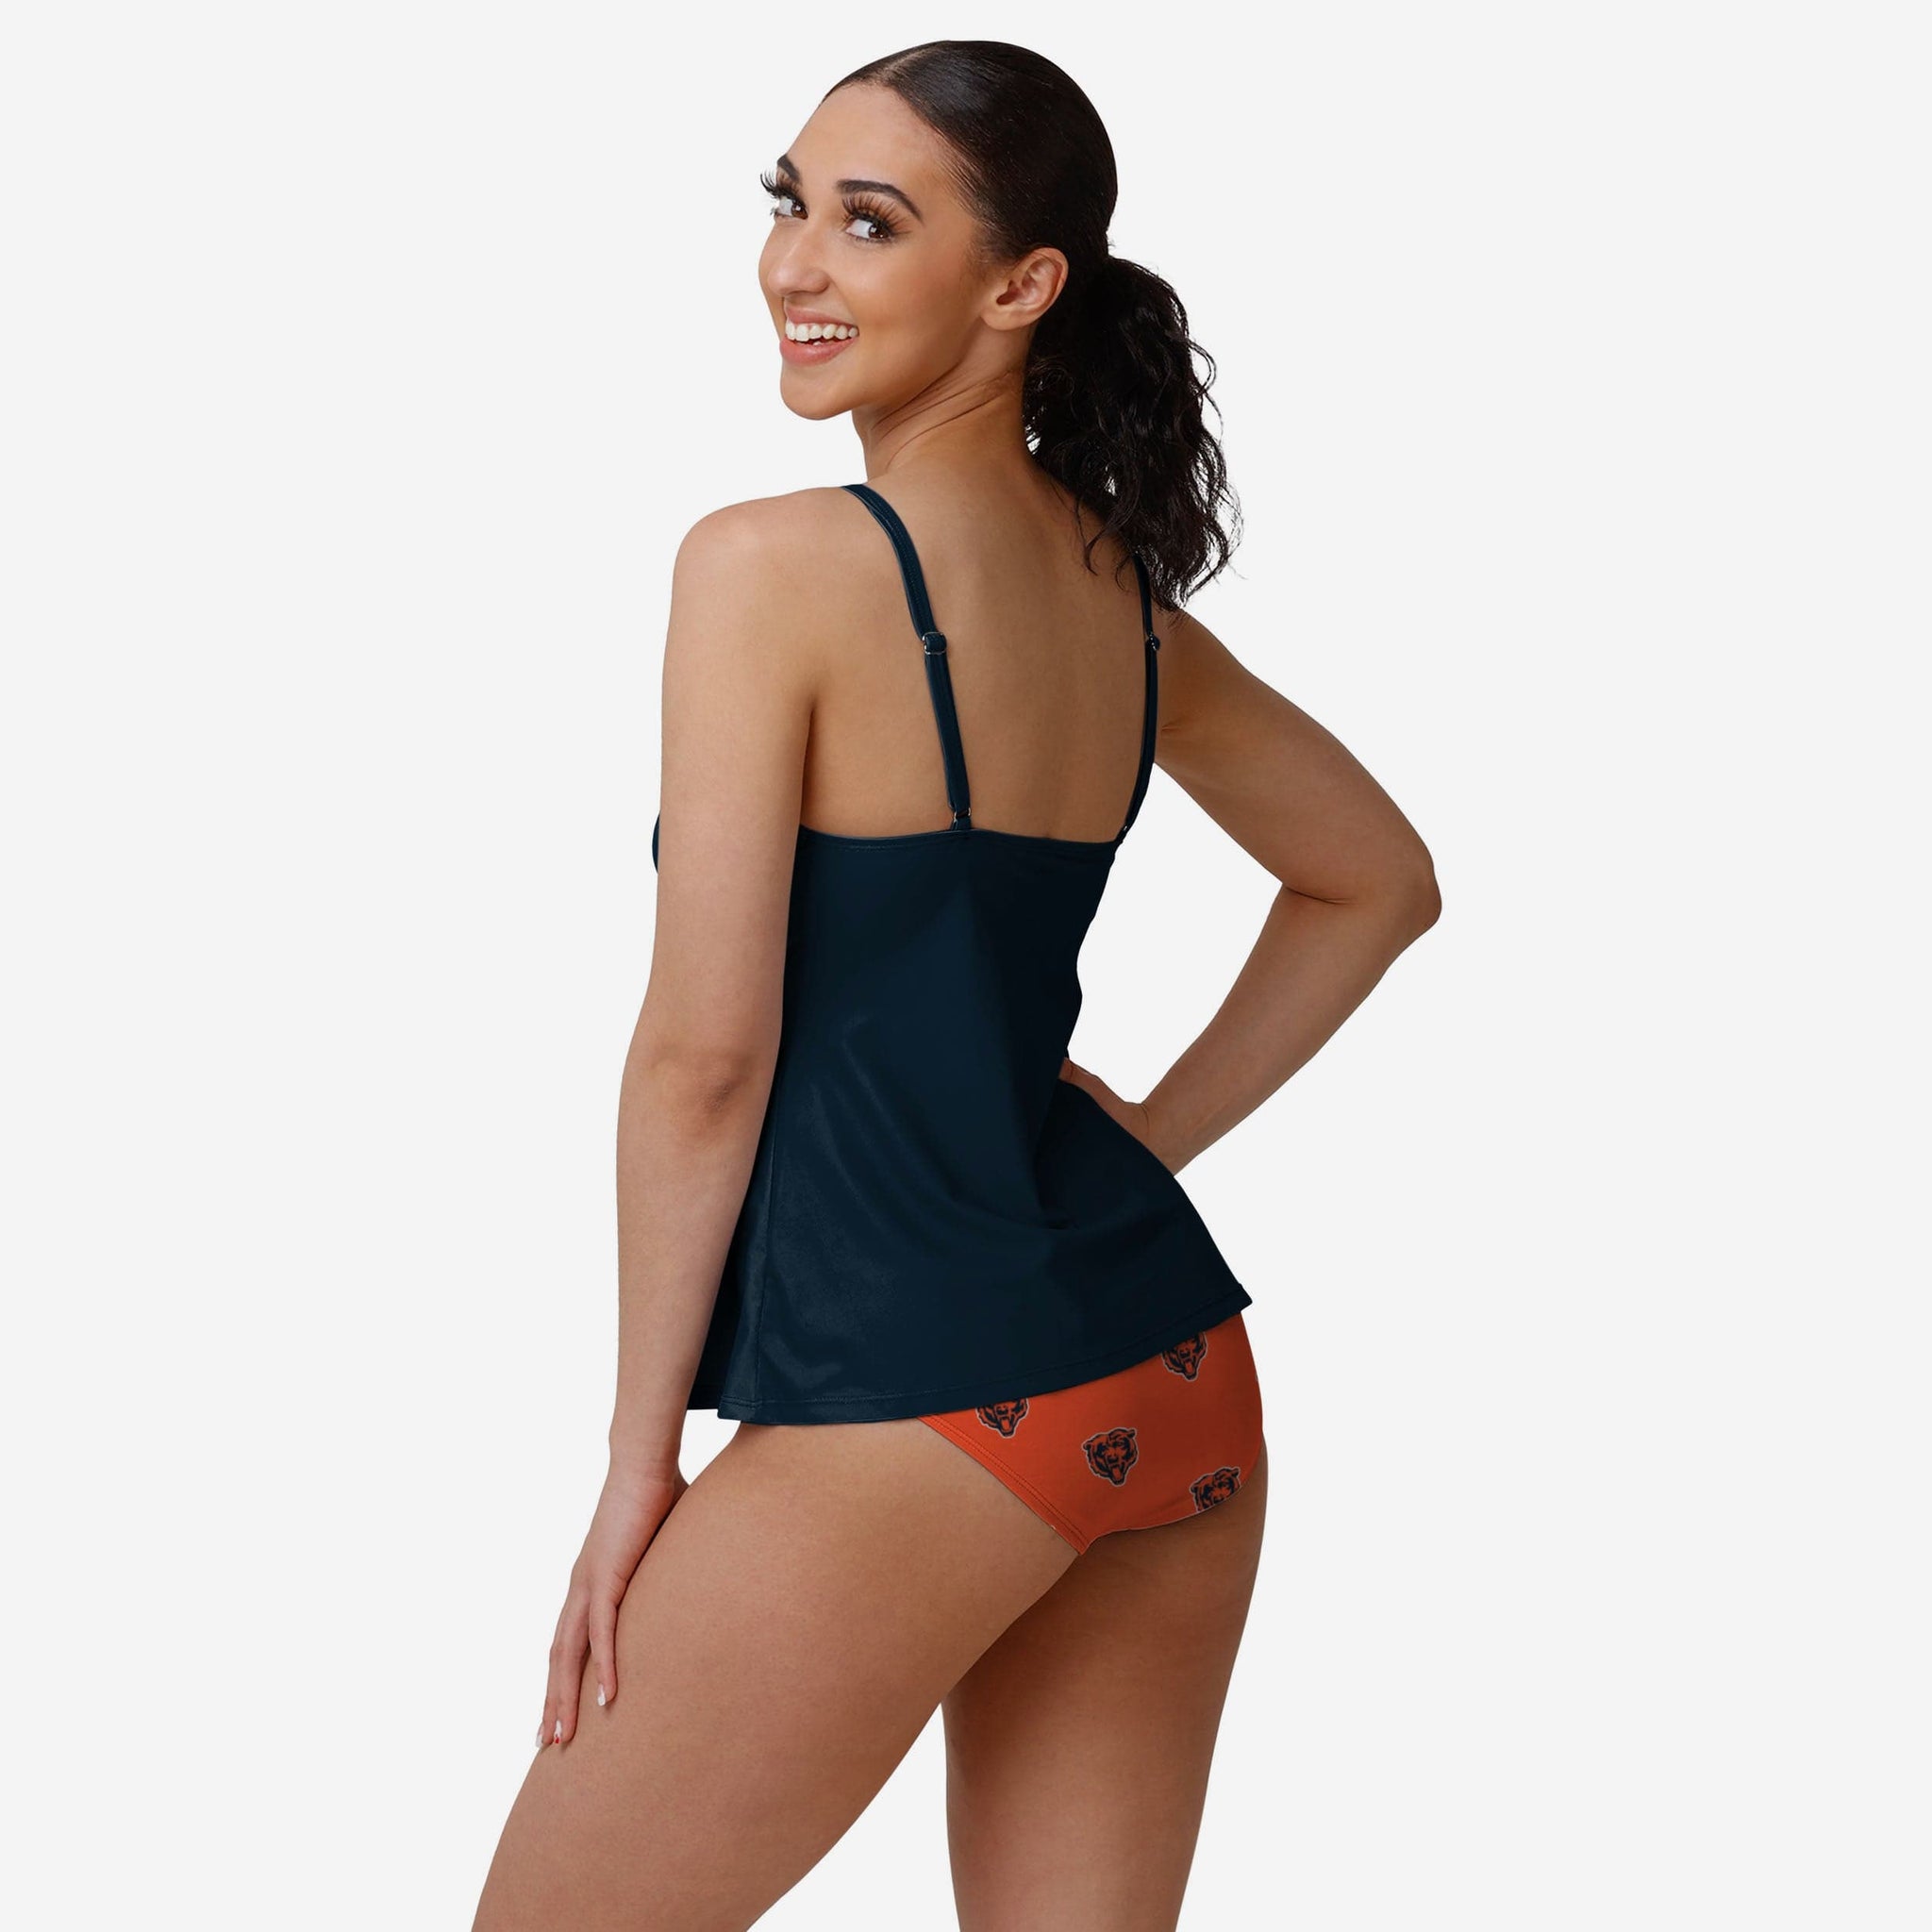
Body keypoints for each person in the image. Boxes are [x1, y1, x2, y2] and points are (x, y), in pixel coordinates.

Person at [473, 39, 1440, 1931]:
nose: (795, 264)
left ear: (1020, 285)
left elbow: (702, 1059)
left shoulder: (770, 568)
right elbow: (1375, 879)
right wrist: (1144, 1143)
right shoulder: (1123, 606)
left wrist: (635, 1465)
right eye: (789, 204)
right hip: (1169, 1373)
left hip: (918, 1398)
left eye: (871, 222)